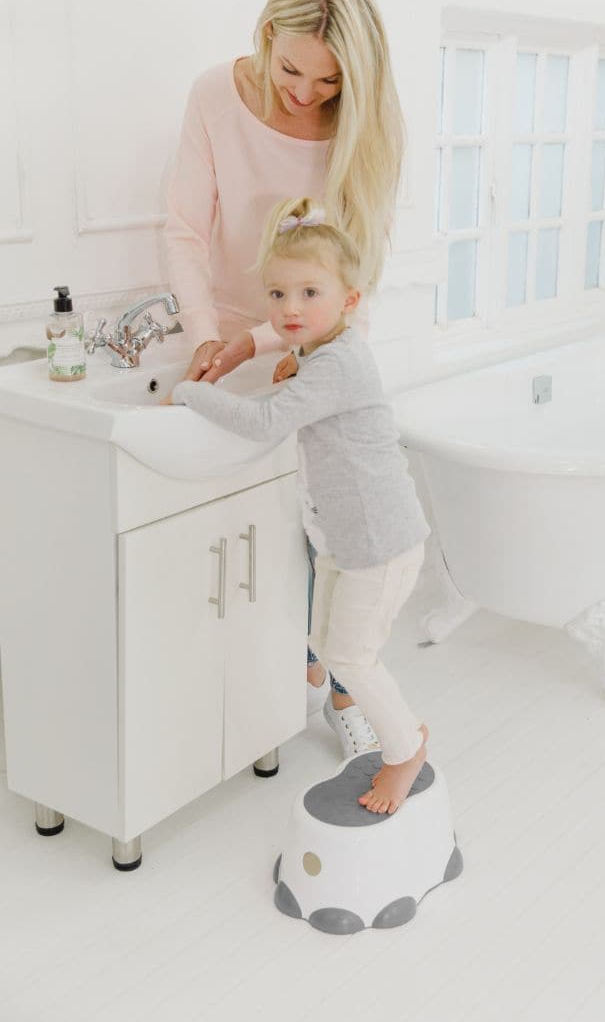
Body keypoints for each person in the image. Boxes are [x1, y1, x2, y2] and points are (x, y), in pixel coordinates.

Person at [163, 0, 404, 756]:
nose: (306, 93)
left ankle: (338, 679)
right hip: (223, 339)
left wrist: (286, 344)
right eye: (293, 67)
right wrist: (209, 334)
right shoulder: (213, 95)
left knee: (326, 526)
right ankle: (269, 680)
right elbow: (185, 230)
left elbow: (351, 266)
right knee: (243, 526)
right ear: (266, 35)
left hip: (318, 341)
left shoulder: (365, 126)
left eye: (330, 83)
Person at [167, 198, 430, 813]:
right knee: (319, 639)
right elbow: (309, 384)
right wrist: (295, 358)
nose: (290, 309)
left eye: (309, 293)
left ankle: (405, 749)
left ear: (349, 302)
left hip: (380, 545)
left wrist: (189, 393)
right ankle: (348, 697)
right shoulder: (321, 354)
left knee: (353, 660)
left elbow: (264, 421)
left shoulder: (334, 365)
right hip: (348, 541)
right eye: (278, 294)